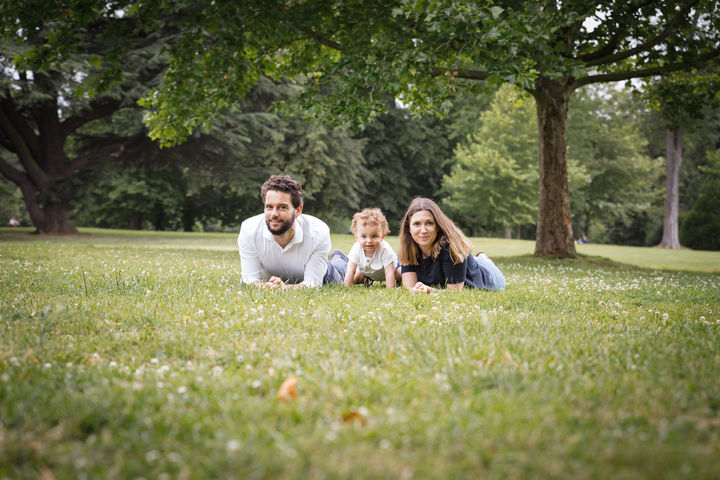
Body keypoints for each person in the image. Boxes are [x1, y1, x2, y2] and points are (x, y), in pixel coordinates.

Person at [237, 175, 348, 289]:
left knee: (341, 272)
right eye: (269, 207)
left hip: (326, 274)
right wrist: (267, 287)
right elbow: (248, 279)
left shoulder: (318, 232)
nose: (274, 214)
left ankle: (339, 259)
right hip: (276, 280)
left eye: (282, 207)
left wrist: (283, 289)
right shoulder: (249, 230)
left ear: (298, 211)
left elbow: (313, 283)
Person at [398, 197, 505, 293]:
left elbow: (454, 293)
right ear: (409, 229)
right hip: (469, 265)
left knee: (482, 262)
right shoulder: (409, 247)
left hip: (490, 277)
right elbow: (410, 288)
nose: (423, 230)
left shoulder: (451, 248)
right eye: (417, 224)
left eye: (429, 223)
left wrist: (430, 291)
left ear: (438, 226)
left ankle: (483, 258)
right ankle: (477, 259)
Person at [343, 208, 401, 288]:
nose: (369, 241)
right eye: (364, 236)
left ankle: (399, 281)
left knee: (401, 273)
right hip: (368, 272)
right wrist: (347, 287)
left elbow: (389, 273)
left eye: (374, 236)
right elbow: (350, 271)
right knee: (356, 278)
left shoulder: (384, 249)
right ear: (357, 237)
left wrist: (390, 289)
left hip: (392, 270)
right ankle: (368, 280)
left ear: (382, 236)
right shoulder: (356, 248)